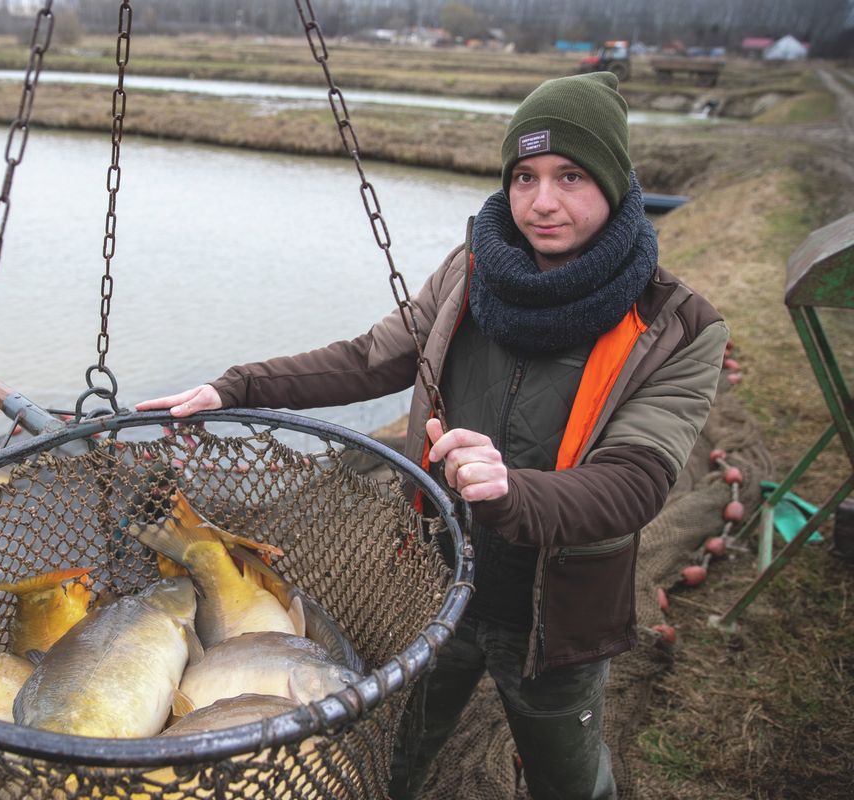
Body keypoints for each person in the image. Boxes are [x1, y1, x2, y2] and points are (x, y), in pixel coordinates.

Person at [136, 72, 728, 799]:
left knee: (569, 781)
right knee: (391, 760)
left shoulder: (679, 327)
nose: (543, 201)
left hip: (557, 620)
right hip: (432, 585)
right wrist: (236, 387)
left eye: (571, 176)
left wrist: (513, 490)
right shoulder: (468, 270)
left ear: (615, 179)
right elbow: (366, 358)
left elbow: (635, 482)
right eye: (525, 176)